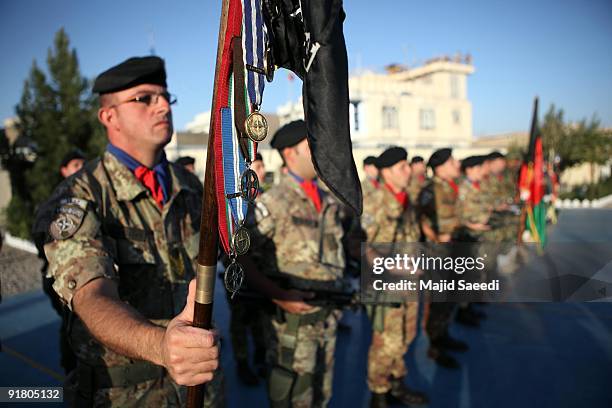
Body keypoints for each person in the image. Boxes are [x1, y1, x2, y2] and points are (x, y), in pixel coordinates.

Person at [41, 56, 221, 406]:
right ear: (109, 117)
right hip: (125, 395)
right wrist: (161, 346)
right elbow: (91, 296)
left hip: (200, 388)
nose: (164, 106)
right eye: (145, 98)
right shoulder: (79, 196)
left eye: (167, 97)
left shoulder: (194, 189)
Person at [242, 120, 347, 407]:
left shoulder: (328, 200)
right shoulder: (272, 203)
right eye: (311, 147)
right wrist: (276, 294)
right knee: (291, 396)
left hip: (326, 319)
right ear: (290, 154)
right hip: (290, 326)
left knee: (321, 393)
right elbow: (239, 255)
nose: (320, 152)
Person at [361, 147, 429, 408]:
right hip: (386, 286)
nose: (409, 170)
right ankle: (379, 394)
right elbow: (363, 247)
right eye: (403, 167)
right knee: (385, 342)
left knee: (406, 336)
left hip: (410, 284)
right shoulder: (375, 202)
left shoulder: (407, 200)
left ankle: (396, 383)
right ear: (387, 171)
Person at [32, 148, 87, 374]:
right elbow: (41, 233)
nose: (81, 169)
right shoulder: (59, 197)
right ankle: (72, 372)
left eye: (82, 164)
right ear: (64, 171)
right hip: (61, 277)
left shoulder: (93, 194)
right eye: (75, 165)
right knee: (73, 326)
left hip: (89, 276)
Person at [417, 148, 468, 369]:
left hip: (454, 250)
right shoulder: (430, 189)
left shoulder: (449, 186)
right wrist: (435, 237)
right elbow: (420, 218)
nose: (457, 164)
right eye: (452, 161)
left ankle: (444, 334)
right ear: (440, 167)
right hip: (437, 253)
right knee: (438, 300)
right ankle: (434, 346)